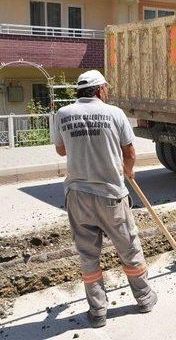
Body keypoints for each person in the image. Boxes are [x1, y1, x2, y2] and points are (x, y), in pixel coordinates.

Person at [52, 70, 157, 328]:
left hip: (77, 196)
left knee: (88, 255)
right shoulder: (115, 113)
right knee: (129, 248)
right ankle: (144, 298)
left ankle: (98, 312)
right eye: (106, 88)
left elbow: (61, 149)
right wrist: (128, 171)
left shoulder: (62, 115)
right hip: (111, 195)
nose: (107, 92)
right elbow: (129, 151)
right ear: (100, 90)